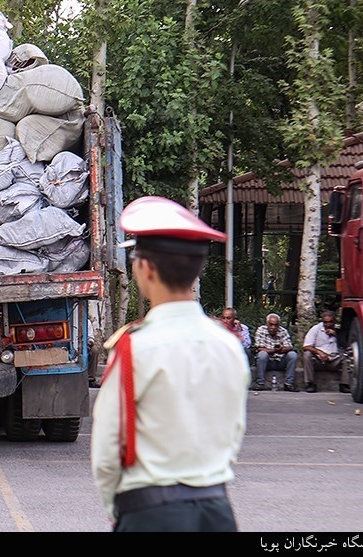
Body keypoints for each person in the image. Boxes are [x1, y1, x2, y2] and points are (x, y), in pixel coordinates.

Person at [91, 196, 250, 532]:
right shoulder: (229, 345)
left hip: (150, 514)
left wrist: (119, 510)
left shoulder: (135, 346)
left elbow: (107, 450)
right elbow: (234, 431)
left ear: (145, 268)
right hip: (217, 512)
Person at [302, 310, 350, 394]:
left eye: (330, 322)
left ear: (334, 321)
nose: (328, 324)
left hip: (334, 360)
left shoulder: (339, 330)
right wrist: (319, 352)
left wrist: (336, 334)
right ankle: (310, 383)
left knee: (347, 356)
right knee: (307, 355)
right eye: (326, 322)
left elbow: (347, 345)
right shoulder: (316, 329)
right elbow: (306, 346)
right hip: (319, 360)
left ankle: (344, 384)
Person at [253, 313, 299, 391]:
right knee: (262, 354)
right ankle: (260, 383)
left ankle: (289, 383)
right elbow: (259, 348)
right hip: (267, 362)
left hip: (280, 361)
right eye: (271, 325)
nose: (273, 327)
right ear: (267, 324)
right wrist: (275, 350)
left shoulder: (283, 331)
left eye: (275, 325)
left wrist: (281, 348)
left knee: (293, 355)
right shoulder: (261, 330)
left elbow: (289, 347)